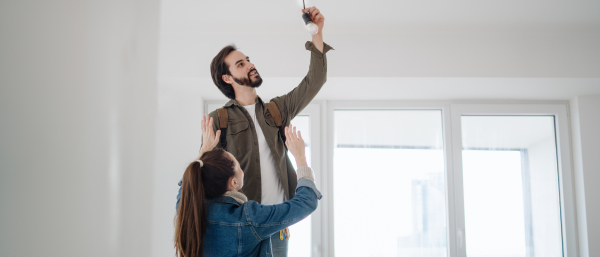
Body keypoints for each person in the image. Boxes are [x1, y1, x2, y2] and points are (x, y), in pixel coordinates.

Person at [206, 6, 332, 255]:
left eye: (248, 59)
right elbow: (208, 180)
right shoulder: (218, 120)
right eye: (240, 64)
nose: (250, 65)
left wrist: (316, 33)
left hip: (277, 225)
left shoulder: (276, 110)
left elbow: (314, 80)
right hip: (240, 226)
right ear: (227, 78)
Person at [175, 115, 321, 257]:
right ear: (234, 183)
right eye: (239, 166)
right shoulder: (248, 218)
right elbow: (306, 202)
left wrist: (204, 153)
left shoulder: (189, 209)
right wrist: (300, 157)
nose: (242, 170)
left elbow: (188, 186)